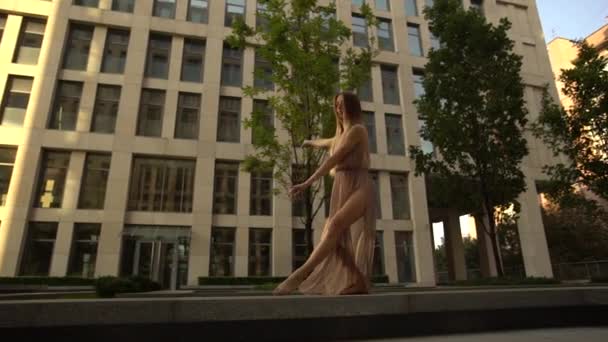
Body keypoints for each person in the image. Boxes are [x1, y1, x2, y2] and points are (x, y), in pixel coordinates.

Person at [273, 92, 377, 295]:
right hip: (343, 187)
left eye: (342, 105)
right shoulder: (339, 136)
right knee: (330, 237)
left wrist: (306, 183)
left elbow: (332, 160)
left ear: (352, 107)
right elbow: (325, 142)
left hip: (360, 186)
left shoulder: (357, 130)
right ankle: (359, 281)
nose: (339, 109)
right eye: (336, 105)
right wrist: (308, 142)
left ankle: (296, 277)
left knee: (335, 225)